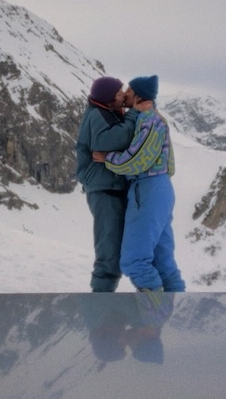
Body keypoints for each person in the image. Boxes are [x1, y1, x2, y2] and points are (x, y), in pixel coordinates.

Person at [94, 75, 185, 293]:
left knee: (135, 261)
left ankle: (152, 323)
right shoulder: (153, 117)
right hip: (158, 189)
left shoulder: (149, 120)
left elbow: (137, 160)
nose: (124, 93)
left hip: (147, 190)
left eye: (129, 90)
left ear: (139, 96)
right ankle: (171, 315)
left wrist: (107, 158)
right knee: (163, 264)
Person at [75, 77, 139, 292]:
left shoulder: (107, 112)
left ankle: (105, 303)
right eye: (119, 92)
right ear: (109, 98)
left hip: (110, 188)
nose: (123, 95)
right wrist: (134, 116)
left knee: (115, 247)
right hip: (104, 190)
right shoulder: (97, 115)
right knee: (109, 249)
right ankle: (101, 305)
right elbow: (109, 141)